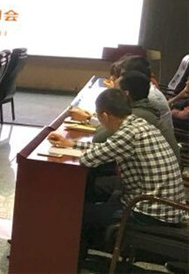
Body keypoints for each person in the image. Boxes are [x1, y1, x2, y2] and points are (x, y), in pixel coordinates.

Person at [48, 88, 186, 261]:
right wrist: (71, 144)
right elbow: (106, 148)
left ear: (105, 116)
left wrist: (73, 148)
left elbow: (88, 159)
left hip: (150, 212)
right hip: (167, 205)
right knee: (95, 194)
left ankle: (72, 261)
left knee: (79, 212)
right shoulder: (137, 124)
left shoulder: (128, 134)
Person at [117, 55, 174, 134]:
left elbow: (123, 124)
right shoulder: (144, 88)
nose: (120, 78)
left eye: (123, 75)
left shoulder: (149, 96)